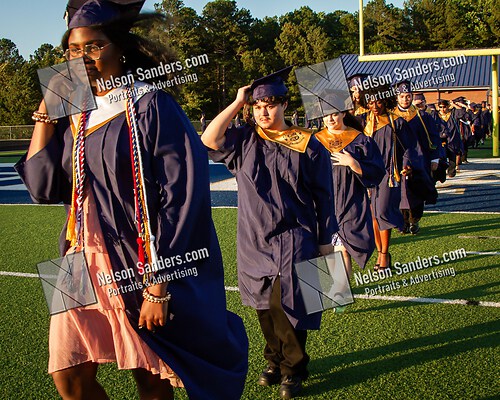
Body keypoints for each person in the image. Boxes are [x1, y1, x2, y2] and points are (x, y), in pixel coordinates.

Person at [15, 1, 248, 399]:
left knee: (150, 376)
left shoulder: (150, 105)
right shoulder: (76, 115)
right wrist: (47, 111)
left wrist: (158, 285)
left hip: (133, 260)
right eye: (73, 50)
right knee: (68, 376)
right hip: (75, 259)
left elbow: (183, 200)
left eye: (93, 46)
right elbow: (42, 188)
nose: (81, 58)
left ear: (119, 48)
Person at [201, 67, 336, 399]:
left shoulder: (309, 144)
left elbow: (325, 197)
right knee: (264, 307)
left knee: (291, 306)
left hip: (297, 236)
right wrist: (238, 102)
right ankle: (274, 361)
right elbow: (208, 140)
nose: (263, 112)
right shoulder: (245, 139)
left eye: (271, 105)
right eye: (258, 106)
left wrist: (326, 242)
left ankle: (293, 369)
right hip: (254, 237)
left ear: (285, 105)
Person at [314, 94, 384, 276]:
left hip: (350, 202)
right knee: (326, 251)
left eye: (334, 114)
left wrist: (354, 164)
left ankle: (340, 290)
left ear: (344, 114)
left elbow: (377, 171)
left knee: (342, 249)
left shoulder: (359, 140)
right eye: (326, 114)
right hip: (322, 203)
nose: (330, 119)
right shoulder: (315, 141)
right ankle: (336, 288)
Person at [359, 84, 417, 271]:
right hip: (366, 174)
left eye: (378, 102)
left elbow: (409, 146)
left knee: (382, 212)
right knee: (373, 215)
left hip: (388, 173)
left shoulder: (396, 122)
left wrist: (407, 164)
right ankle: (381, 252)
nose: (375, 106)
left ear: (386, 101)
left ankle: (384, 254)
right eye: (371, 102)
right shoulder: (364, 122)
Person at [392, 85, 440, 234]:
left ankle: (414, 220)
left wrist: (435, 158)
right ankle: (403, 221)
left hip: (419, 160)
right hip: (398, 160)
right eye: (402, 96)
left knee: (416, 191)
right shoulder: (390, 117)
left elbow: (433, 137)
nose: (405, 99)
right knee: (400, 192)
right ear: (397, 98)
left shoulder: (422, 116)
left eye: (408, 96)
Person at [438, 99, 464, 177]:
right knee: (441, 156)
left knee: (452, 155)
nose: (442, 109)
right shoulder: (436, 115)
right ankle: (442, 172)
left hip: (452, 138)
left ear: (448, 106)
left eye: (444, 107)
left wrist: (454, 104)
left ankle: (451, 171)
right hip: (441, 138)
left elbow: (462, 112)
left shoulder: (452, 114)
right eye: (440, 107)